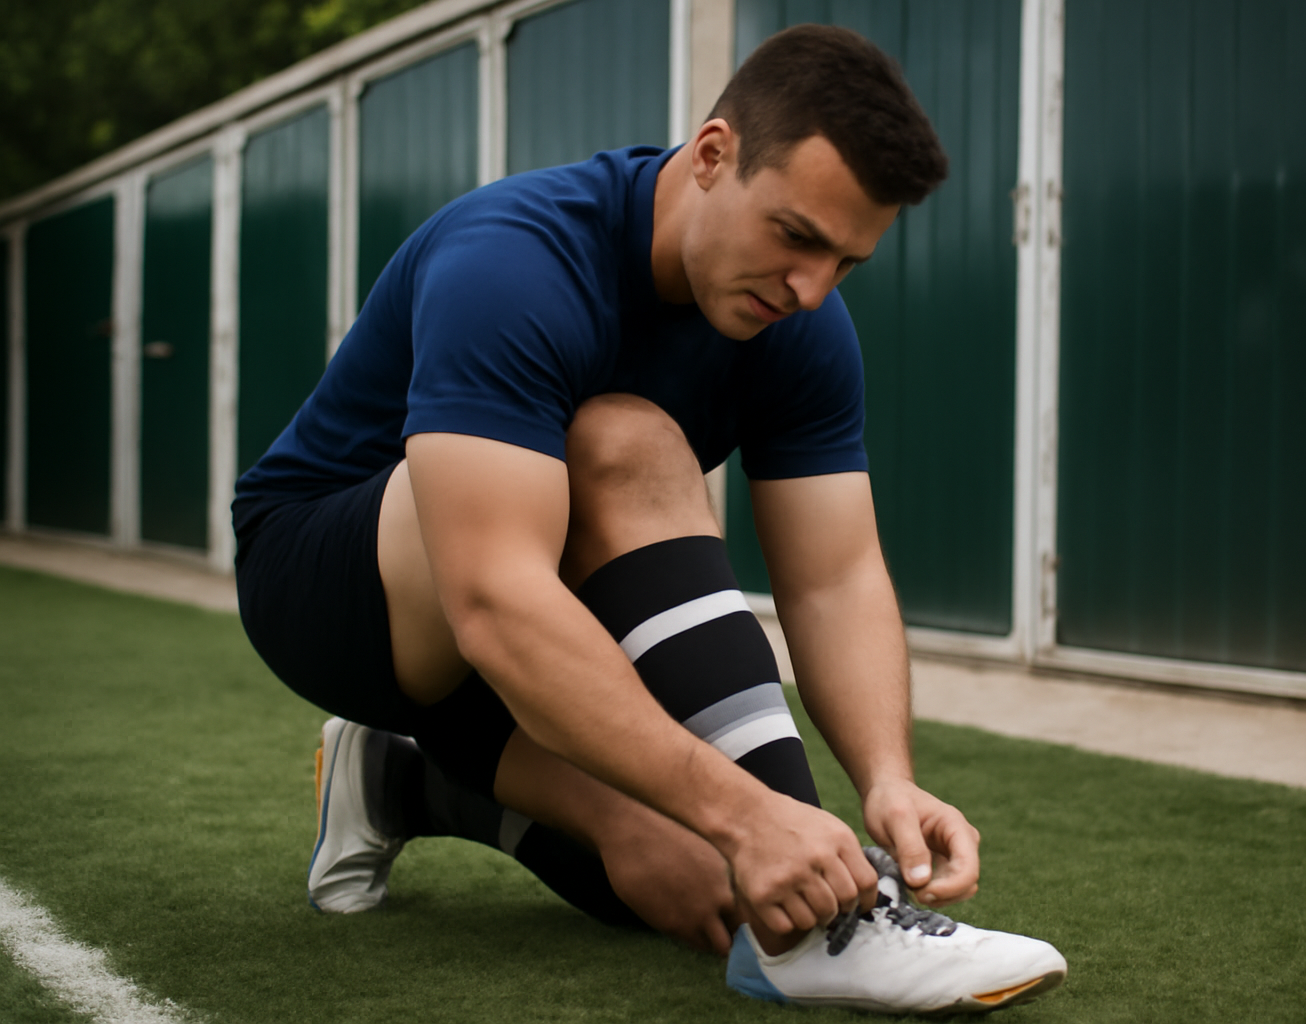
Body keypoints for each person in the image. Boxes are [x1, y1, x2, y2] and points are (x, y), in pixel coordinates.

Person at [232, 23, 1066, 1014]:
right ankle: (819, 936)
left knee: (684, 875)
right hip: (339, 586)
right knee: (620, 438)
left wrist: (887, 780)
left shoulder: (799, 323)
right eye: (797, 236)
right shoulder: (516, 259)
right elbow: (493, 602)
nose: (810, 289)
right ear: (712, 155)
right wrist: (754, 811)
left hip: (518, 610)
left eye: (846, 262)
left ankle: (397, 777)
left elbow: (833, 575)